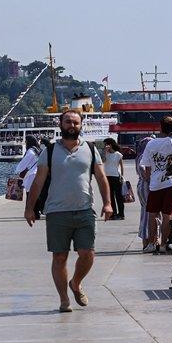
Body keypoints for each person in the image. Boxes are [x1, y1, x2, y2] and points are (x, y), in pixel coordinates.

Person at [24, 109, 113, 313]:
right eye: (68, 122)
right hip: (57, 212)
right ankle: (64, 299)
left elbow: (101, 177)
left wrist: (107, 203)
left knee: (87, 253)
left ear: (81, 125)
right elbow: (38, 181)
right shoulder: (50, 151)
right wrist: (30, 208)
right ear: (60, 125)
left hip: (85, 210)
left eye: (75, 122)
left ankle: (76, 282)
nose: (72, 126)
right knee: (59, 257)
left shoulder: (90, 149)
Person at [137, 116, 172, 253]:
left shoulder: (151, 144)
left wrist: (151, 177)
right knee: (167, 215)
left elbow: (147, 166)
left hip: (155, 185)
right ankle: (163, 244)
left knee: (152, 214)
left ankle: (151, 243)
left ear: (160, 128)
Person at [134, 134, 154, 249]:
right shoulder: (144, 157)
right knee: (148, 213)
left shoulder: (140, 156)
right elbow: (145, 173)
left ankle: (146, 241)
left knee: (145, 212)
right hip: (146, 186)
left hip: (142, 185)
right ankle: (147, 240)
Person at [14, 135, 41, 207]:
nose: (25, 142)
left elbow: (23, 163)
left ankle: (31, 211)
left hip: (31, 175)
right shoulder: (38, 150)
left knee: (30, 194)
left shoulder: (30, 151)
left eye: (26, 141)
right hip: (38, 174)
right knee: (36, 194)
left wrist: (17, 170)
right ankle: (36, 211)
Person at [102, 138, 125, 220]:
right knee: (110, 196)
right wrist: (105, 151)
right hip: (107, 176)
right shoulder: (106, 153)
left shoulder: (118, 154)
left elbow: (121, 166)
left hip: (116, 176)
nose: (104, 146)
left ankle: (121, 214)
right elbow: (103, 161)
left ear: (110, 144)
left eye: (106, 144)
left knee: (118, 196)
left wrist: (122, 176)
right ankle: (113, 213)